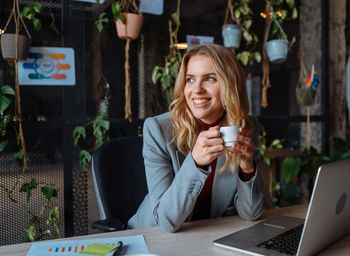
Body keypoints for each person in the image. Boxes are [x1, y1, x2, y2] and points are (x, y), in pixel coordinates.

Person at [128, 44, 264, 232]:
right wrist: (195, 163)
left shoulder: (245, 128)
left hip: (206, 234)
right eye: (190, 79)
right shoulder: (158, 130)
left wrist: (247, 168)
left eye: (209, 79)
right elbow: (166, 221)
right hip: (152, 235)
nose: (197, 89)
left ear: (230, 84)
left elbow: (251, 213)